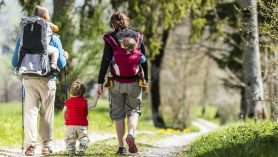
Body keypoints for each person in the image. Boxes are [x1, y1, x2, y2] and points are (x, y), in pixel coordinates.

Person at [11, 6, 68, 156]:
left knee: (30, 112)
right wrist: (65, 56)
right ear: (46, 18)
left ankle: (30, 147)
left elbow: (14, 61)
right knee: (46, 113)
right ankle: (46, 146)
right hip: (47, 79)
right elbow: (61, 63)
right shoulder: (54, 38)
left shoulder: (22, 36)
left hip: (28, 78)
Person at [97, 11, 148, 155]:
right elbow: (145, 61)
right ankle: (131, 134)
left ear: (113, 24)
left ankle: (121, 147)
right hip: (134, 82)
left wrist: (100, 81)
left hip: (116, 82)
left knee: (118, 114)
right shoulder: (137, 37)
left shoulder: (111, 39)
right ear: (126, 21)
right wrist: (146, 80)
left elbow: (105, 60)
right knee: (133, 111)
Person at [62, 81, 98, 156]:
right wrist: (97, 95)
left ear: (71, 92)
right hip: (82, 126)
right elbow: (94, 105)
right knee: (84, 140)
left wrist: (65, 120)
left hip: (70, 126)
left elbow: (63, 112)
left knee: (70, 141)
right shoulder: (85, 102)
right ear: (84, 93)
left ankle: (71, 153)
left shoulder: (68, 102)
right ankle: (82, 151)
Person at [33, 6, 60, 72]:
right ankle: (53, 64)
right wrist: (52, 25)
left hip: (31, 48)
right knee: (55, 51)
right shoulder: (47, 24)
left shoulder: (31, 25)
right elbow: (56, 29)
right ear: (45, 16)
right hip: (42, 48)